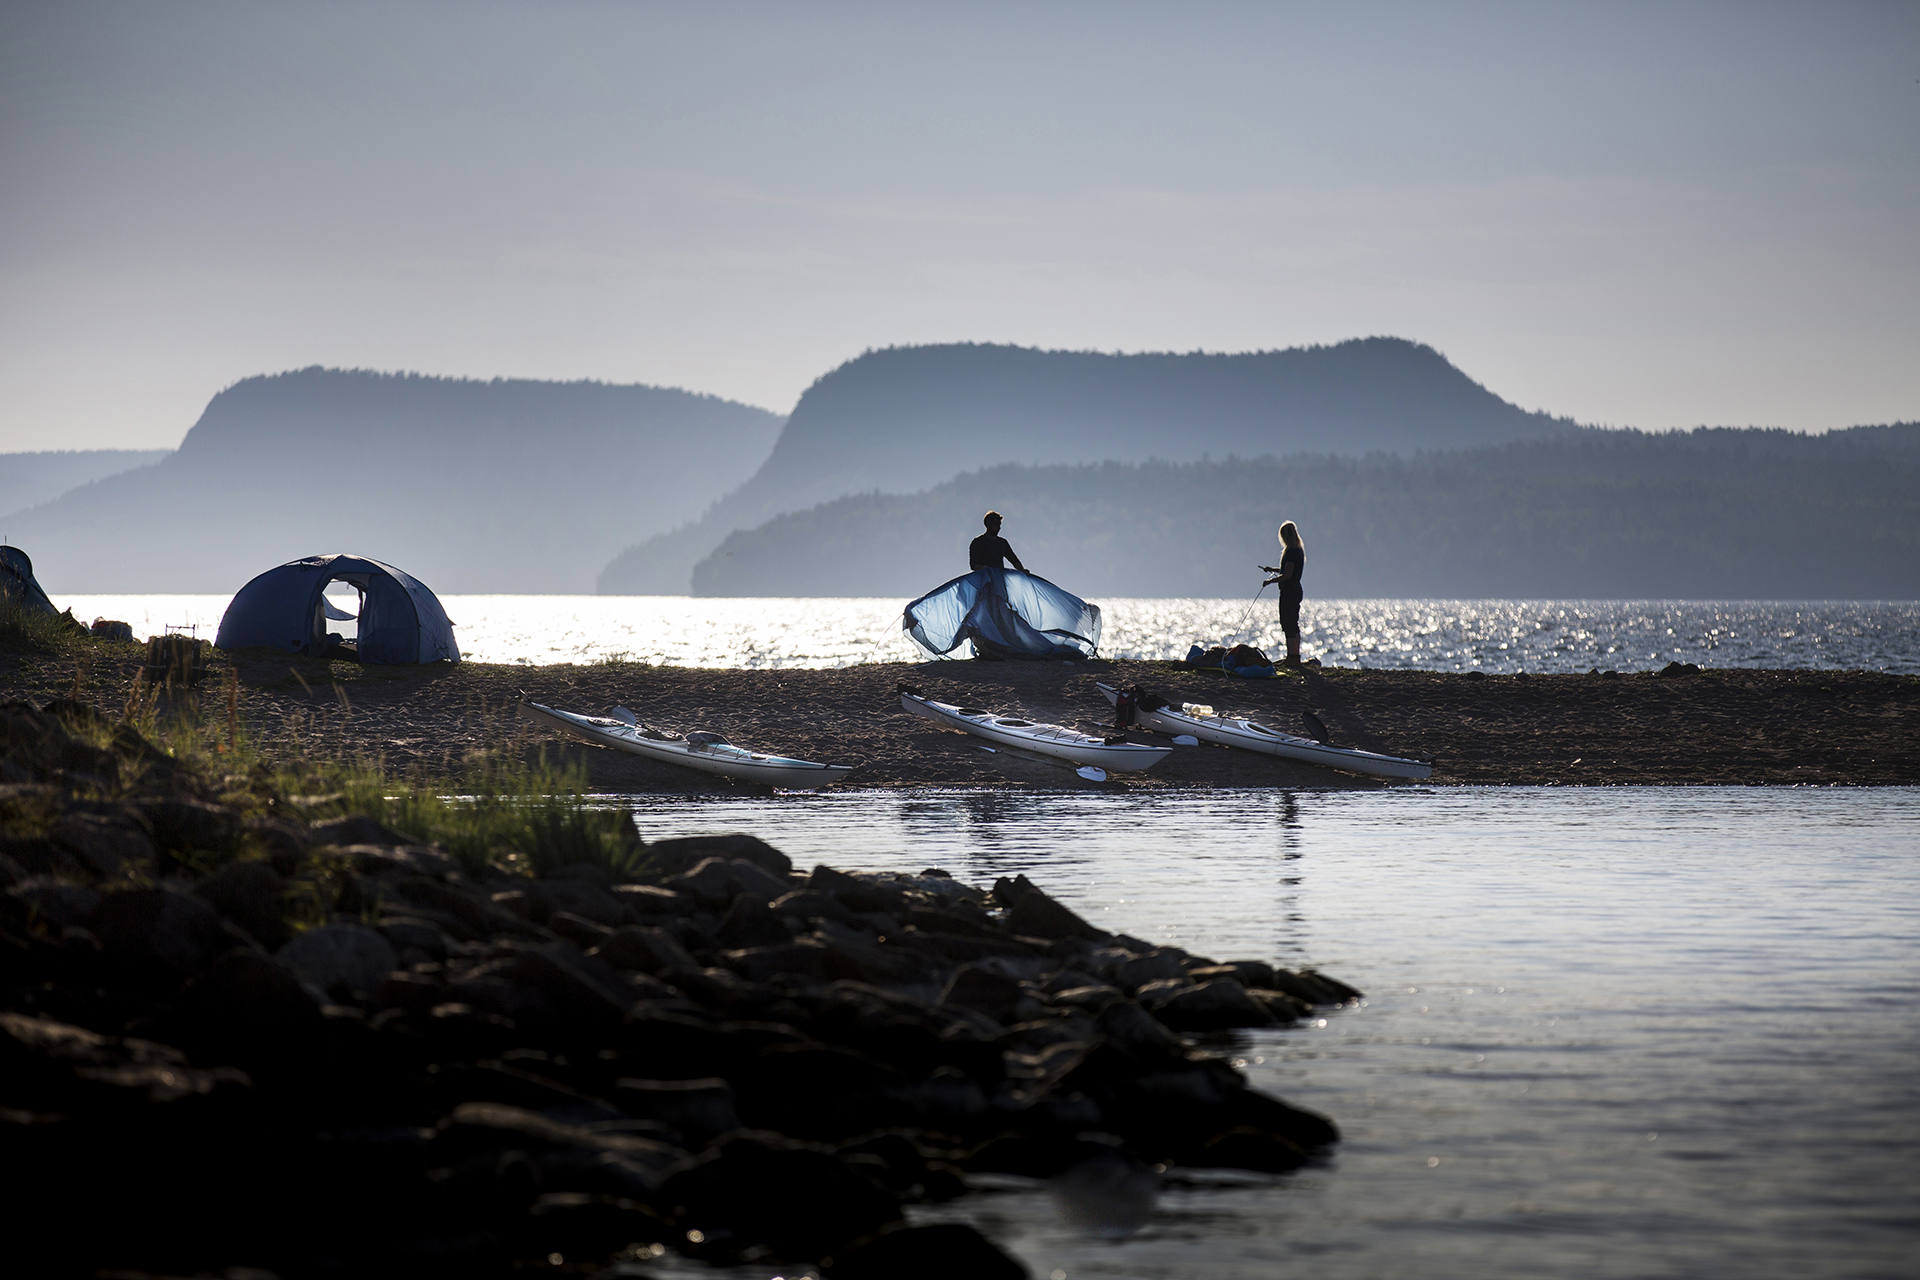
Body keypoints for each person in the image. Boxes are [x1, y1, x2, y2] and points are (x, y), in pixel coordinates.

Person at [1261, 521, 1306, 666]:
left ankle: (1291, 657)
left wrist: (1270, 582)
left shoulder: (1291, 552)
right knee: (1293, 623)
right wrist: (1272, 570)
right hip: (1295, 590)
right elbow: (1286, 570)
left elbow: (1287, 575)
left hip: (1289, 592)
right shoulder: (1298, 550)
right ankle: (1295, 656)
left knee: (1288, 623)